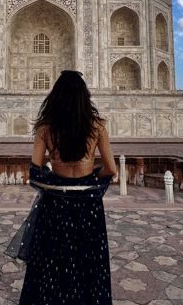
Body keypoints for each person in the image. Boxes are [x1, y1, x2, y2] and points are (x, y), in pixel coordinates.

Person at [7, 70, 117, 304]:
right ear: (84, 97)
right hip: (88, 206)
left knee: (52, 260)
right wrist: (92, 177)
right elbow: (111, 169)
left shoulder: (45, 128)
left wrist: (54, 172)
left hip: (55, 204)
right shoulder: (98, 126)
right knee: (89, 261)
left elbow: (34, 173)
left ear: (55, 96)